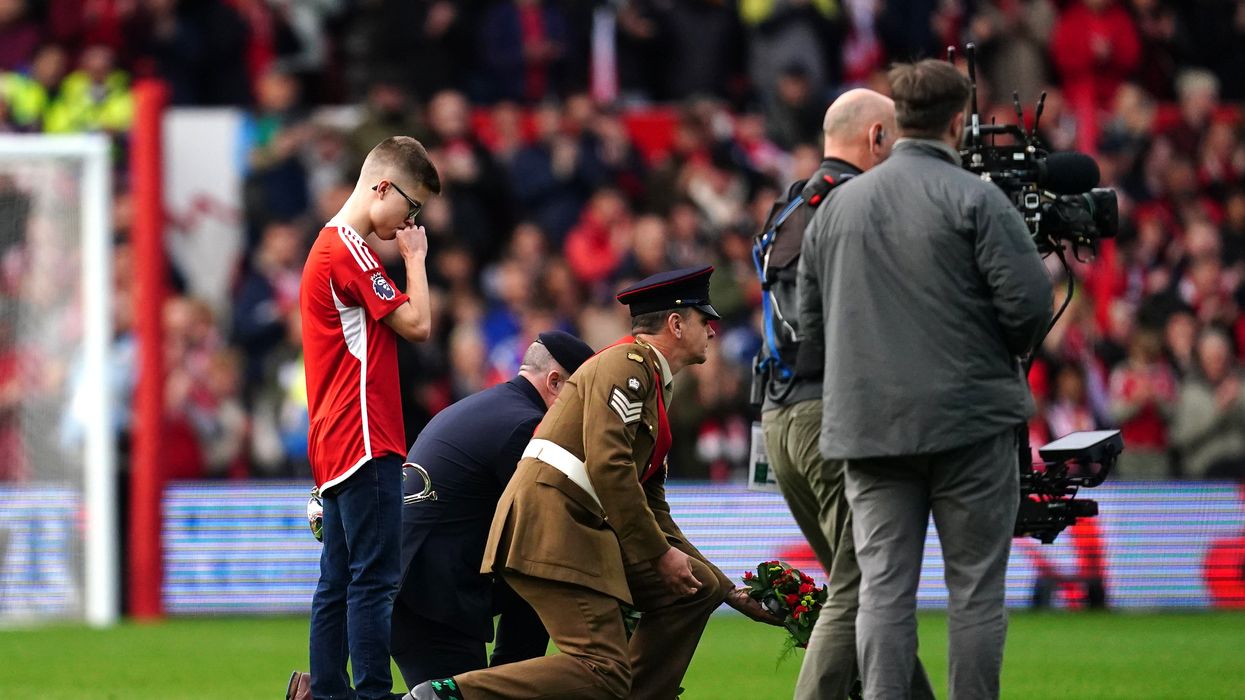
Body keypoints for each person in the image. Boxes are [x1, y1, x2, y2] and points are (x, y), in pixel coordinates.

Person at [798, 60, 1053, 699]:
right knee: (974, 593)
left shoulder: (833, 209)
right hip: (970, 425)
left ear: (898, 121)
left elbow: (813, 331)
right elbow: (1030, 308)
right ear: (958, 121)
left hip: (868, 430)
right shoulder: (978, 198)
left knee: (883, 593)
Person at [405, 266, 780, 700]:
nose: (713, 332)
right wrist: (658, 555)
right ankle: (447, 695)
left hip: (567, 526)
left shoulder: (650, 383)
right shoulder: (626, 365)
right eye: (704, 320)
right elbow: (610, 467)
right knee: (603, 672)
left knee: (699, 589)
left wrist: (728, 588)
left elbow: (652, 506)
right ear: (676, 324)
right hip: (553, 528)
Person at [755, 89, 937, 700]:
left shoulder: (788, 207)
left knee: (861, 582)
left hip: (778, 419)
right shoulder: (857, 205)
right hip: (827, 414)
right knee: (863, 583)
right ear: (878, 137)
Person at [292, 136, 440, 700]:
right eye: (412, 205)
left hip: (334, 438)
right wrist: (416, 261)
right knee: (374, 581)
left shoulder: (327, 247)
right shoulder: (347, 250)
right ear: (382, 186)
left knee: (336, 582)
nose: (411, 221)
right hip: (364, 434)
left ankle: (327, 691)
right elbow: (418, 324)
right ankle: (372, 694)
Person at [391, 331, 595, 689]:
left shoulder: (487, 407)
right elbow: (551, 521)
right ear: (554, 382)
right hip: (436, 600)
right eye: (582, 396)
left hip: (414, 584)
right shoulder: (526, 427)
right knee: (467, 695)